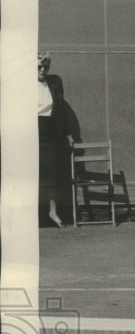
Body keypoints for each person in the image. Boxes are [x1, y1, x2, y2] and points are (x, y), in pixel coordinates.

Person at [37, 52, 80, 227]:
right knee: (31, 174)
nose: (42, 70)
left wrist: (68, 134)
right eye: (38, 67)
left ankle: (53, 212)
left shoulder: (54, 83)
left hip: (50, 133)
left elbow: (60, 109)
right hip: (30, 133)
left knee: (53, 174)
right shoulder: (22, 86)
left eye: (45, 67)